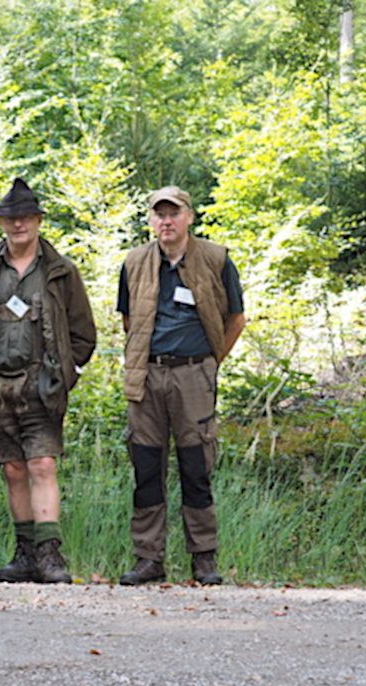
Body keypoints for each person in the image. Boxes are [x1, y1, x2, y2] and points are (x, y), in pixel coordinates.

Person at [0, 178, 97, 584]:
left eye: (25, 218)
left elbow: (84, 333)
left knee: (42, 463)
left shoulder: (61, 271)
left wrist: (63, 375)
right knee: (13, 469)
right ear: (2, 223)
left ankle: (51, 556)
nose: (18, 225)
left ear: (38, 221)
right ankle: (25, 554)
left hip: (41, 386)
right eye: (10, 219)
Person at [116, 186, 246, 586]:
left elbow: (236, 318)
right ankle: (148, 558)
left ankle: (203, 559)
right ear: (151, 221)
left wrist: (207, 364)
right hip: (147, 376)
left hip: (194, 374)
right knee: (146, 468)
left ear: (189, 216)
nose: (166, 221)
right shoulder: (134, 262)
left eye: (174, 213)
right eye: (159, 215)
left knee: (196, 466)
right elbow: (127, 321)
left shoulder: (216, 258)